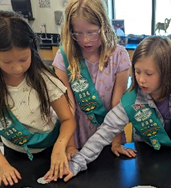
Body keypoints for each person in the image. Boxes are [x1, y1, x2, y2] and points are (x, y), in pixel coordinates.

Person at [46, 36, 171, 182]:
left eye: (149, 74)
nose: (141, 80)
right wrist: (77, 164)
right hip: (147, 155)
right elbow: (105, 132)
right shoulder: (132, 99)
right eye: (137, 71)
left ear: (167, 73)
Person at [0, 11, 76, 187]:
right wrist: (2, 165)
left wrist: (60, 147)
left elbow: (67, 119)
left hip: (52, 149)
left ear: (32, 48)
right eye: (7, 62)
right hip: (13, 154)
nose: (17, 68)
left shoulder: (45, 79)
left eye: (23, 59)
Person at [54, 0, 132, 158]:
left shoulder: (119, 55)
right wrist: (70, 146)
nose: (85, 40)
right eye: (78, 34)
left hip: (110, 134)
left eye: (91, 32)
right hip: (77, 136)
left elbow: (118, 105)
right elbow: (67, 106)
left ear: (104, 27)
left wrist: (116, 142)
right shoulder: (64, 58)